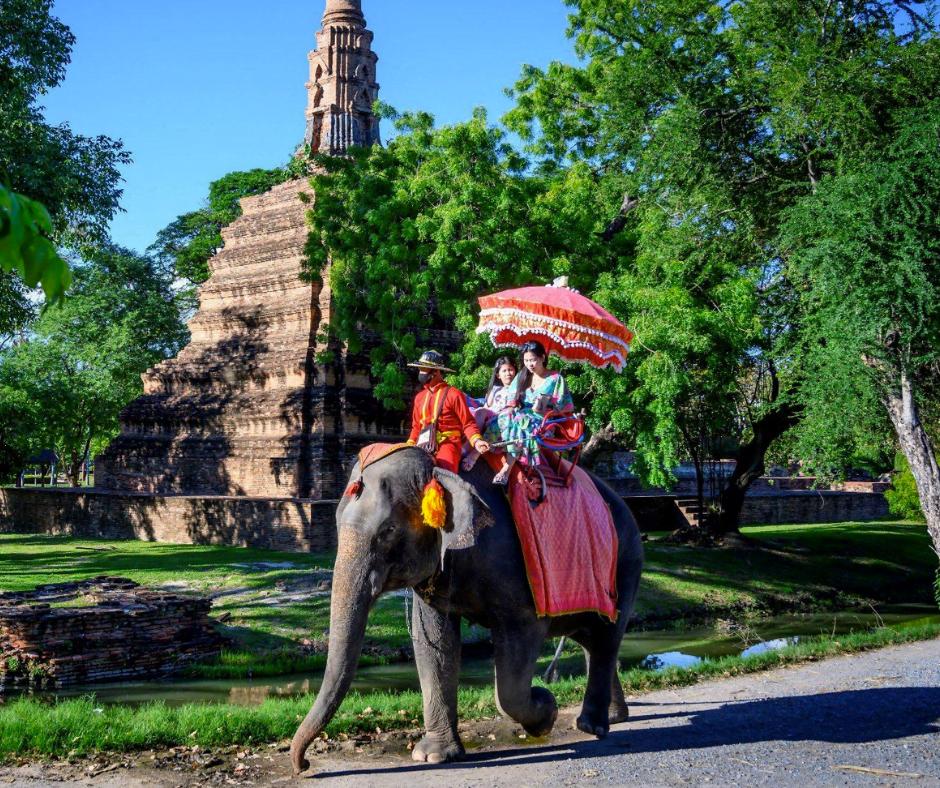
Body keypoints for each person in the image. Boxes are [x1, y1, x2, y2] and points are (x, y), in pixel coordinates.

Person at [494, 341, 573, 485]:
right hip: (520, 416)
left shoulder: (556, 379)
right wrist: (511, 406)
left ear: (543, 357)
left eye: (533, 360)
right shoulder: (522, 376)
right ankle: (480, 451)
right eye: (526, 360)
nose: (530, 364)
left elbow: (566, 406)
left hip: (544, 422)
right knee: (504, 416)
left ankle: (507, 468)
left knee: (521, 421)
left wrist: (547, 405)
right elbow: (511, 399)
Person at [406, 350, 490, 473]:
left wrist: (477, 441)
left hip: (448, 444)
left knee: (443, 475)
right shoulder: (419, 397)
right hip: (422, 445)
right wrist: (409, 445)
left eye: (423, 369)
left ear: (435, 371)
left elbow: (467, 423)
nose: (420, 373)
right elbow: (416, 427)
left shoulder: (454, 394)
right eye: (420, 369)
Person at [462, 357, 517, 473]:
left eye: (511, 370)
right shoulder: (496, 390)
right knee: (476, 410)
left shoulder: (518, 390)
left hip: (502, 417)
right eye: (504, 371)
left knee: (482, 412)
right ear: (498, 375)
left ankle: (468, 448)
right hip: (489, 414)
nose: (508, 373)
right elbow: (487, 405)